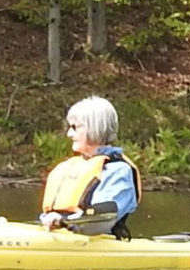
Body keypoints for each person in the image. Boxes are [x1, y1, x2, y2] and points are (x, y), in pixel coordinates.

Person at [39, 96, 139, 238]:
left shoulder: (117, 171)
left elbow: (101, 219)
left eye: (75, 127)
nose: (69, 134)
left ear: (95, 128)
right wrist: (52, 219)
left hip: (101, 244)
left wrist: (64, 222)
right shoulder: (71, 166)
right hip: (63, 237)